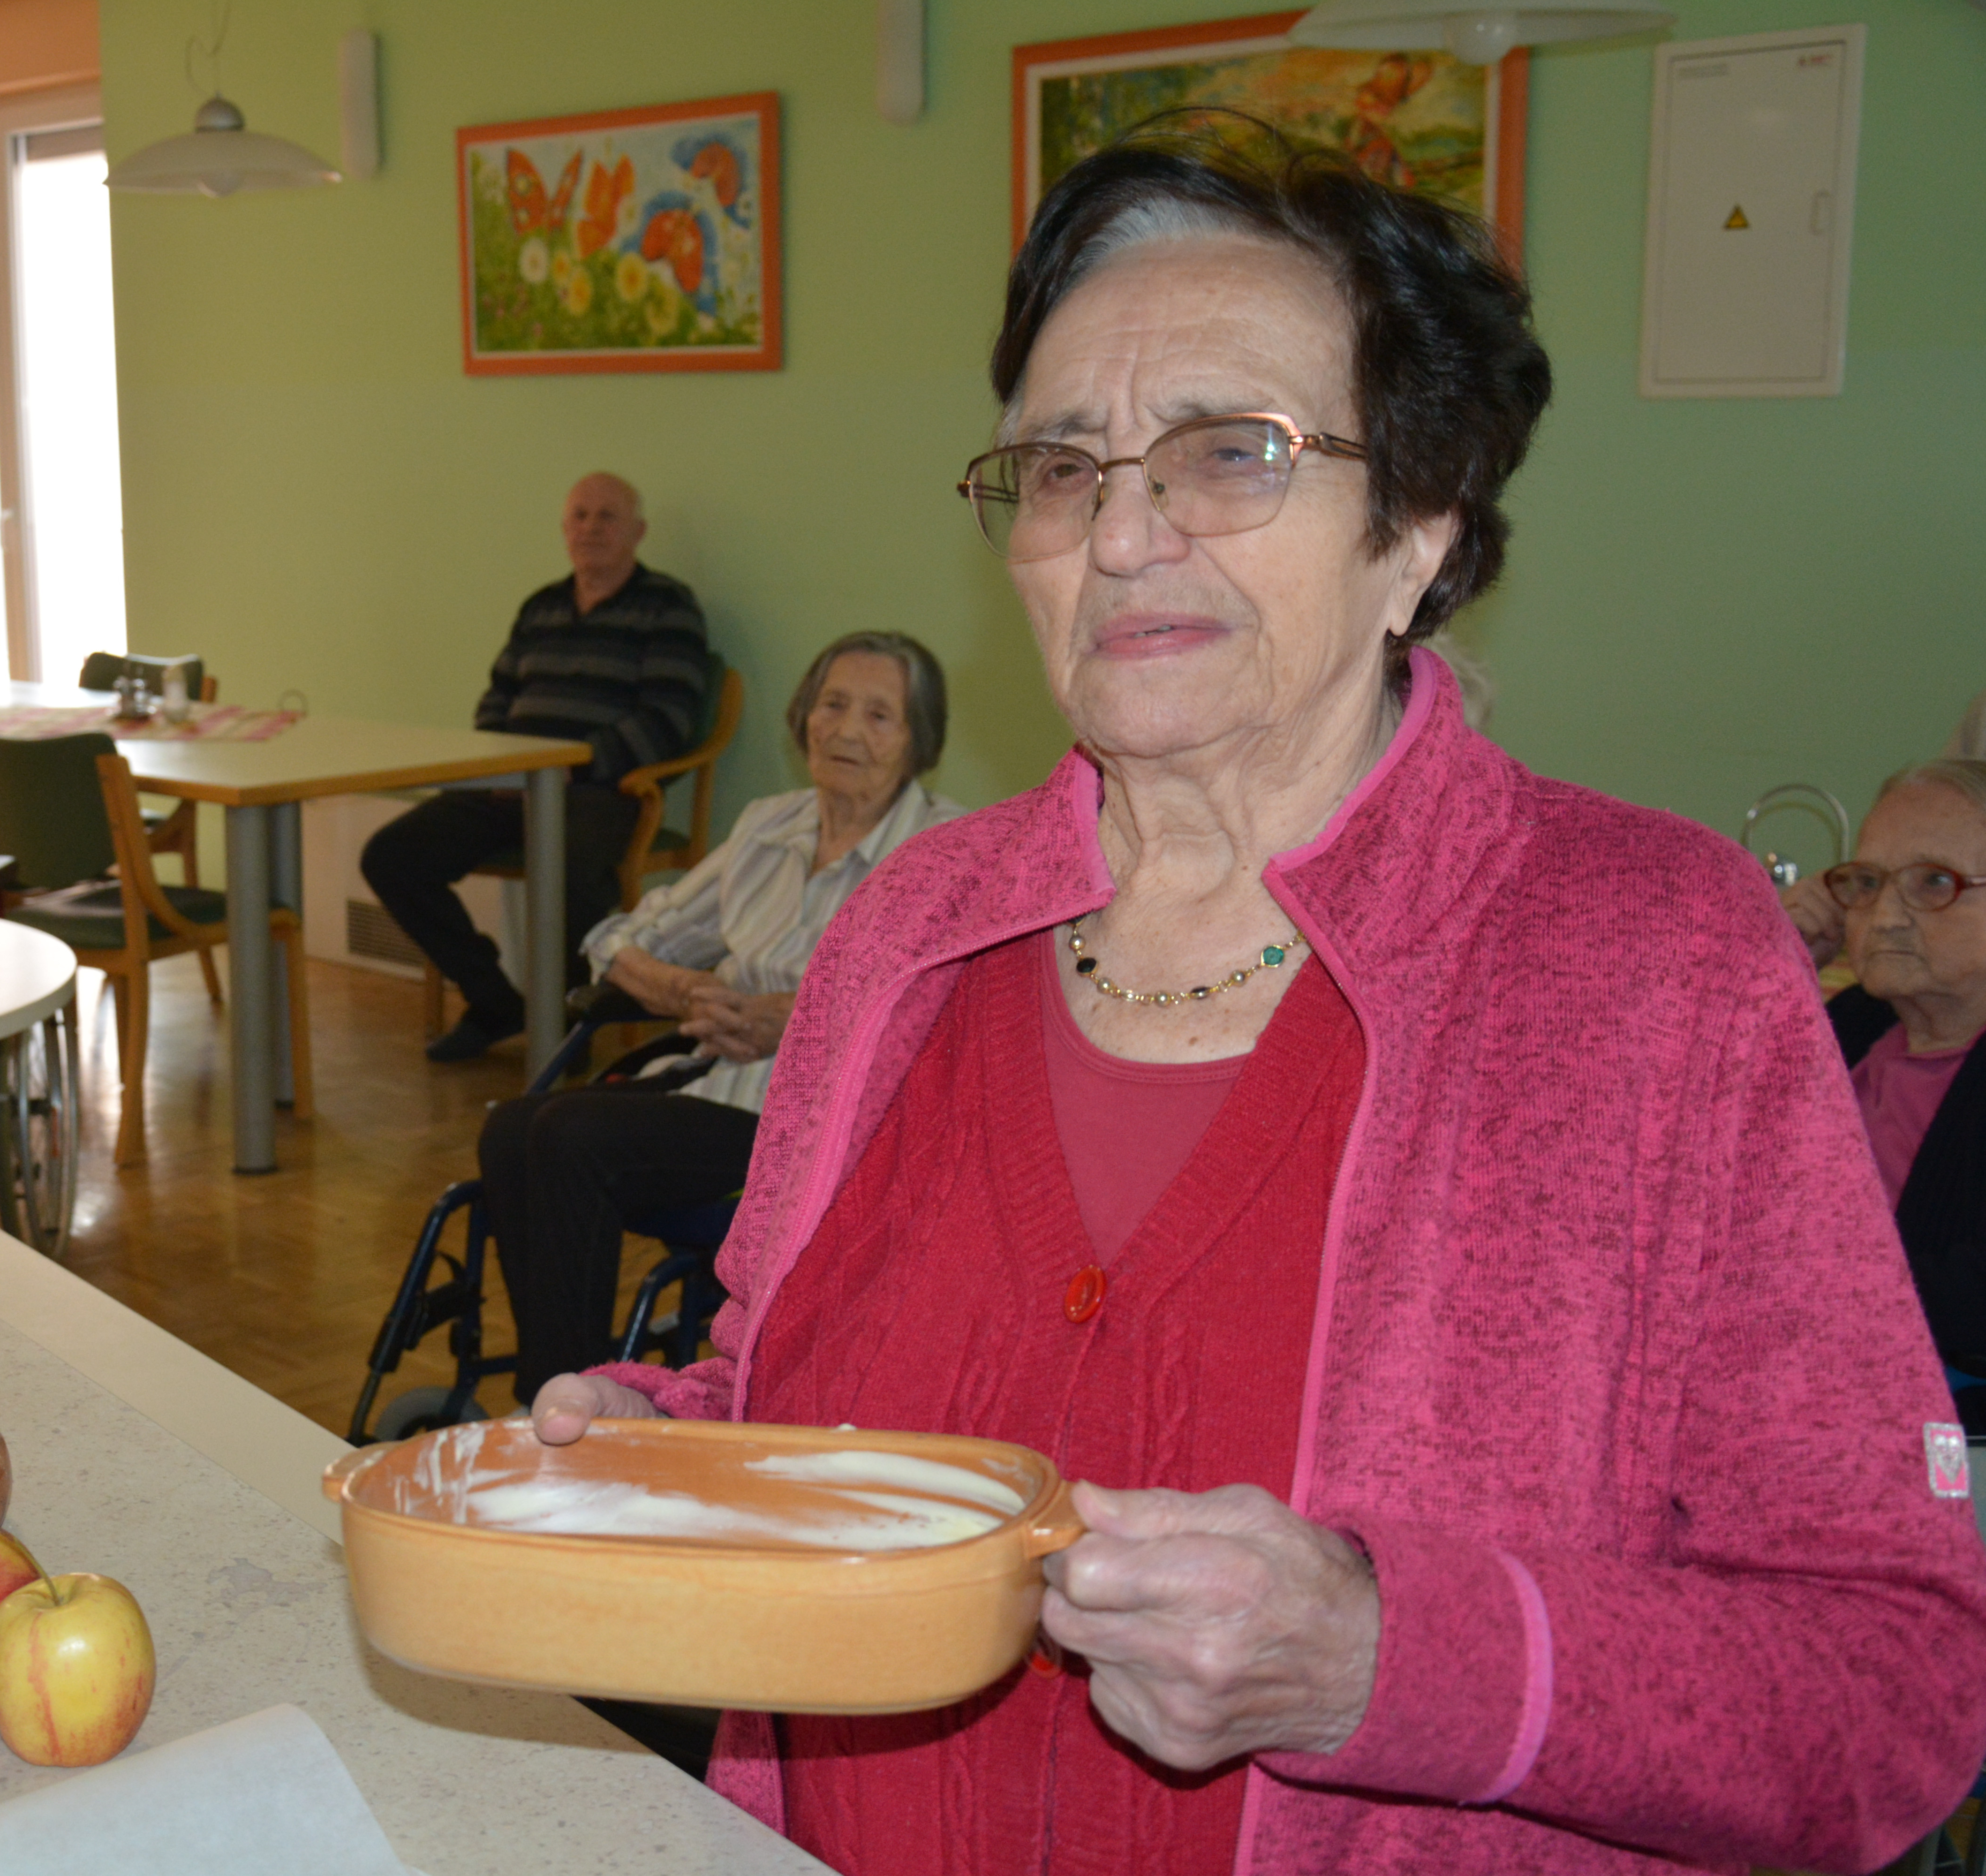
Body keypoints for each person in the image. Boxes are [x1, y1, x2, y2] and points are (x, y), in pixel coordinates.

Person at [529, 122, 1986, 1875]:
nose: (1125, 530)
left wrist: (1390, 1652)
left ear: (1418, 529)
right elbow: (802, 1404)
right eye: (1064, 468)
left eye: (1231, 451)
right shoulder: (910, 929)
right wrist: (675, 1454)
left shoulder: (1649, 958)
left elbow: (1894, 1672)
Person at [482, 632, 961, 1400]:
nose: (845, 731)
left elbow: (945, 1006)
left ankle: (569, 1402)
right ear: (804, 713)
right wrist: (680, 991)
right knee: (512, 1128)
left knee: (573, 1140)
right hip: (716, 1090)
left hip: (819, 1132)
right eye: (833, 704)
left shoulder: (943, 855)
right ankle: (560, 1382)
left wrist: (804, 1022)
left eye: (880, 716)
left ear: (917, 742)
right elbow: (618, 939)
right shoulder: (769, 827)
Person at [361, 473, 710, 1062]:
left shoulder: (668, 609)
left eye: (607, 517)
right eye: (579, 516)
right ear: (564, 529)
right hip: (511, 784)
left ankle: (569, 1028)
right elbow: (496, 699)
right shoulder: (541, 605)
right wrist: (502, 763)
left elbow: (668, 718)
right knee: (393, 856)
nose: (591, 529)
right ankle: (496, 1001)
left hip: (601, 789)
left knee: (570, 871)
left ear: (638, 532)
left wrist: (577, 765)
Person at [1785, 760, 1986, 1428]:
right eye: (1867, 883)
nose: (1887, 916)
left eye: (1936, 882)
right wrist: (1773, 968)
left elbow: (1970, 1304)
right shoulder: (1850, 1025)